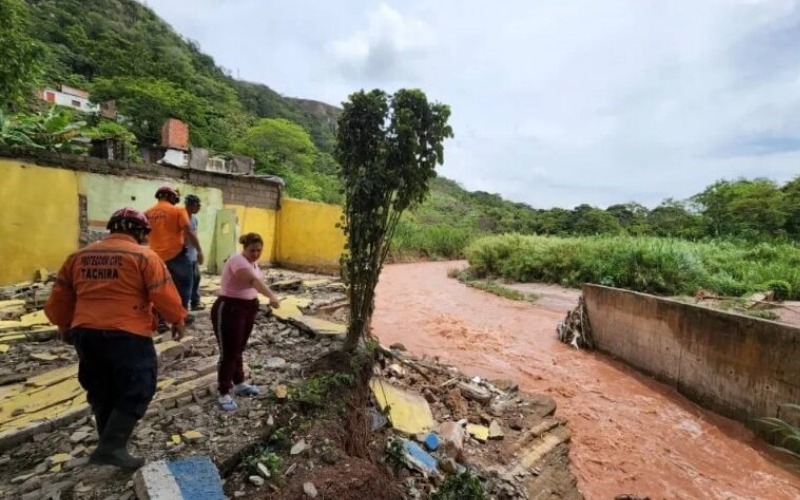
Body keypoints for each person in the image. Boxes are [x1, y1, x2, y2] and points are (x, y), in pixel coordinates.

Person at [44, 208, 187, 471]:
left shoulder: (78, 256)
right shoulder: (144, 256)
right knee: (139, 385)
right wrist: (177, 318)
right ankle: (112, 447)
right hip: (128, 332)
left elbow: (62, 296)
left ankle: (107, 444)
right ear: (140, 232)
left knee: (101, 386)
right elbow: (163, 294)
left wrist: (63, 324)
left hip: (86, 332)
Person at [212, 232, 280, 411]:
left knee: (239, 347)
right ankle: (224, 391)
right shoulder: (238, 261)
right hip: (230, 308)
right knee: (228, 350)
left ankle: (239, 382)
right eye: (252, 250)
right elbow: (253, 281)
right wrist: (271, 296)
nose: (256, 254)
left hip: (248, 307)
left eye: (259, 250)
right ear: (245, 248)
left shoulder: (252, 262)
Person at [145, 186, 203, 315]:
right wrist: (199, 251)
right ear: (171, 197)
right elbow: (188, 232)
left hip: (155, 258)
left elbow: (143, 236)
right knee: (184, 286)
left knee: (158, 288)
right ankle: (181, 315)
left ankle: (159, 319)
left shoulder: (146, 213)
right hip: (177, 257)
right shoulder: (178, 211)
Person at [184, 194, 204, 311]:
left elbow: (194, 236)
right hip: (184, 255)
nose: (199, 207)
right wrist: (199, 250)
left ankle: (195, 302)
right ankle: (185, 305)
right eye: (198, 205)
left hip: (192, 254)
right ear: (191, 205)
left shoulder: (194, 219)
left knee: (196, 277)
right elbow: (188, 236)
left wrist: (197, 252)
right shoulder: (182, 217)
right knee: (187, 281)